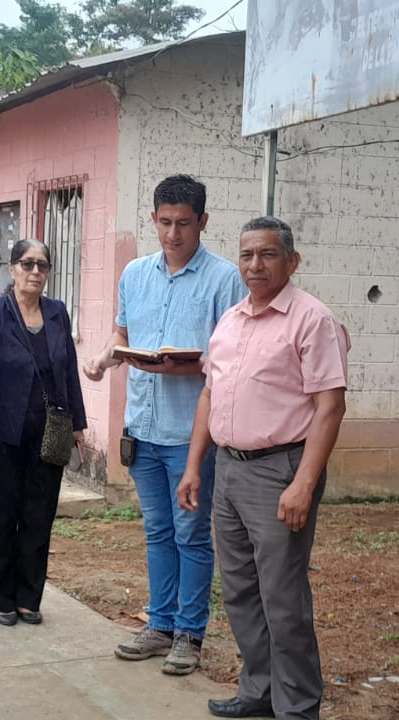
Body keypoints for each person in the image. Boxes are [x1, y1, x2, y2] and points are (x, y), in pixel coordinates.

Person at [175, 217, 349, 720]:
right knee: (240, 588)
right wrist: (193, 466)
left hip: (280, 471)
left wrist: (303, 483)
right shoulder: (231, 320)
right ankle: (259, 689)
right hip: (229, 468)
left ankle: (297, 711)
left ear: (291, 261)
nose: (255, 265)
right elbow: (209, 395)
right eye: (247, 254)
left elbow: (330, 406)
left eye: (268, 254)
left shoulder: (312, 320)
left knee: (282, 595)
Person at [83, 174, 244, 676]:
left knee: (190, 533)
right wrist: (105, 357)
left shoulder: (224, 279)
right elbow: (122, 332)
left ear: (203, 222)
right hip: (143, 427)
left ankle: (190, 634)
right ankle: (160, 624)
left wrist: (186, 366)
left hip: (190, 434)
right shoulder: (135, 273)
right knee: (156, 531)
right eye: (165, 222)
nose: (173, 234)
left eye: (184, 224)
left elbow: (233, 356)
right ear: (153, 218)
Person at [0, 239, 87, 626]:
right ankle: (3, 599)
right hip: (1, 435)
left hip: (49, 432)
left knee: (39, 515)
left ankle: (28, 598)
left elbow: (68, 370)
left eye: (42, 265)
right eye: (27, 263)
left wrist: (77, 424)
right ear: (12, 268)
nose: (35, 271)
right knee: (1, 516)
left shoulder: (57, 312)